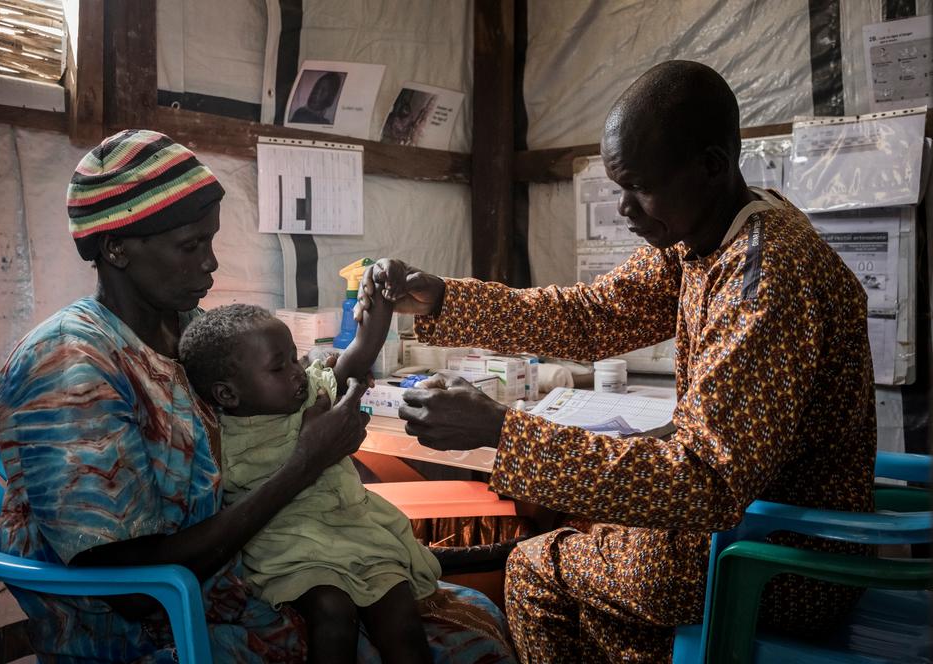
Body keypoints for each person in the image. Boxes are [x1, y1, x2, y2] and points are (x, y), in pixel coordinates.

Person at [356, 60, 875, 663]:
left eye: (639, 186)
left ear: (711, 165)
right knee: (592, 539)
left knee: (534, 568)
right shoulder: (706, 235)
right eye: (617, 186)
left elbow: (703, 482)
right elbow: (593, 317)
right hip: (749, 524)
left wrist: (500, 430)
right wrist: (444, 298)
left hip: (782, 558)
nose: (624, 207)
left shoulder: (764, 281)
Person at [0, 129, 515, 663]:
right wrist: (305, 462)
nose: (211, 263)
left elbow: (294, 394)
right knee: (464, 649)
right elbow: (132, 591)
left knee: (473, 619)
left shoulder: (187, 329)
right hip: (156, 636)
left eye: (211, 241)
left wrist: (365, 335)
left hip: (248, 584)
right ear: (116, 248)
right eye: (191, 246)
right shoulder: (70, 367)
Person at [178, 300, 441, 664]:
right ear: (228, 394)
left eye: (294, 358)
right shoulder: (222, 442)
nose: (296, 373)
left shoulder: (313, 395)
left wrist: (380, 307)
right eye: (278, 367)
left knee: (402, 621)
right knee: (332, 615)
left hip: (358, 537)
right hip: (292, 551)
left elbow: (358, 357)